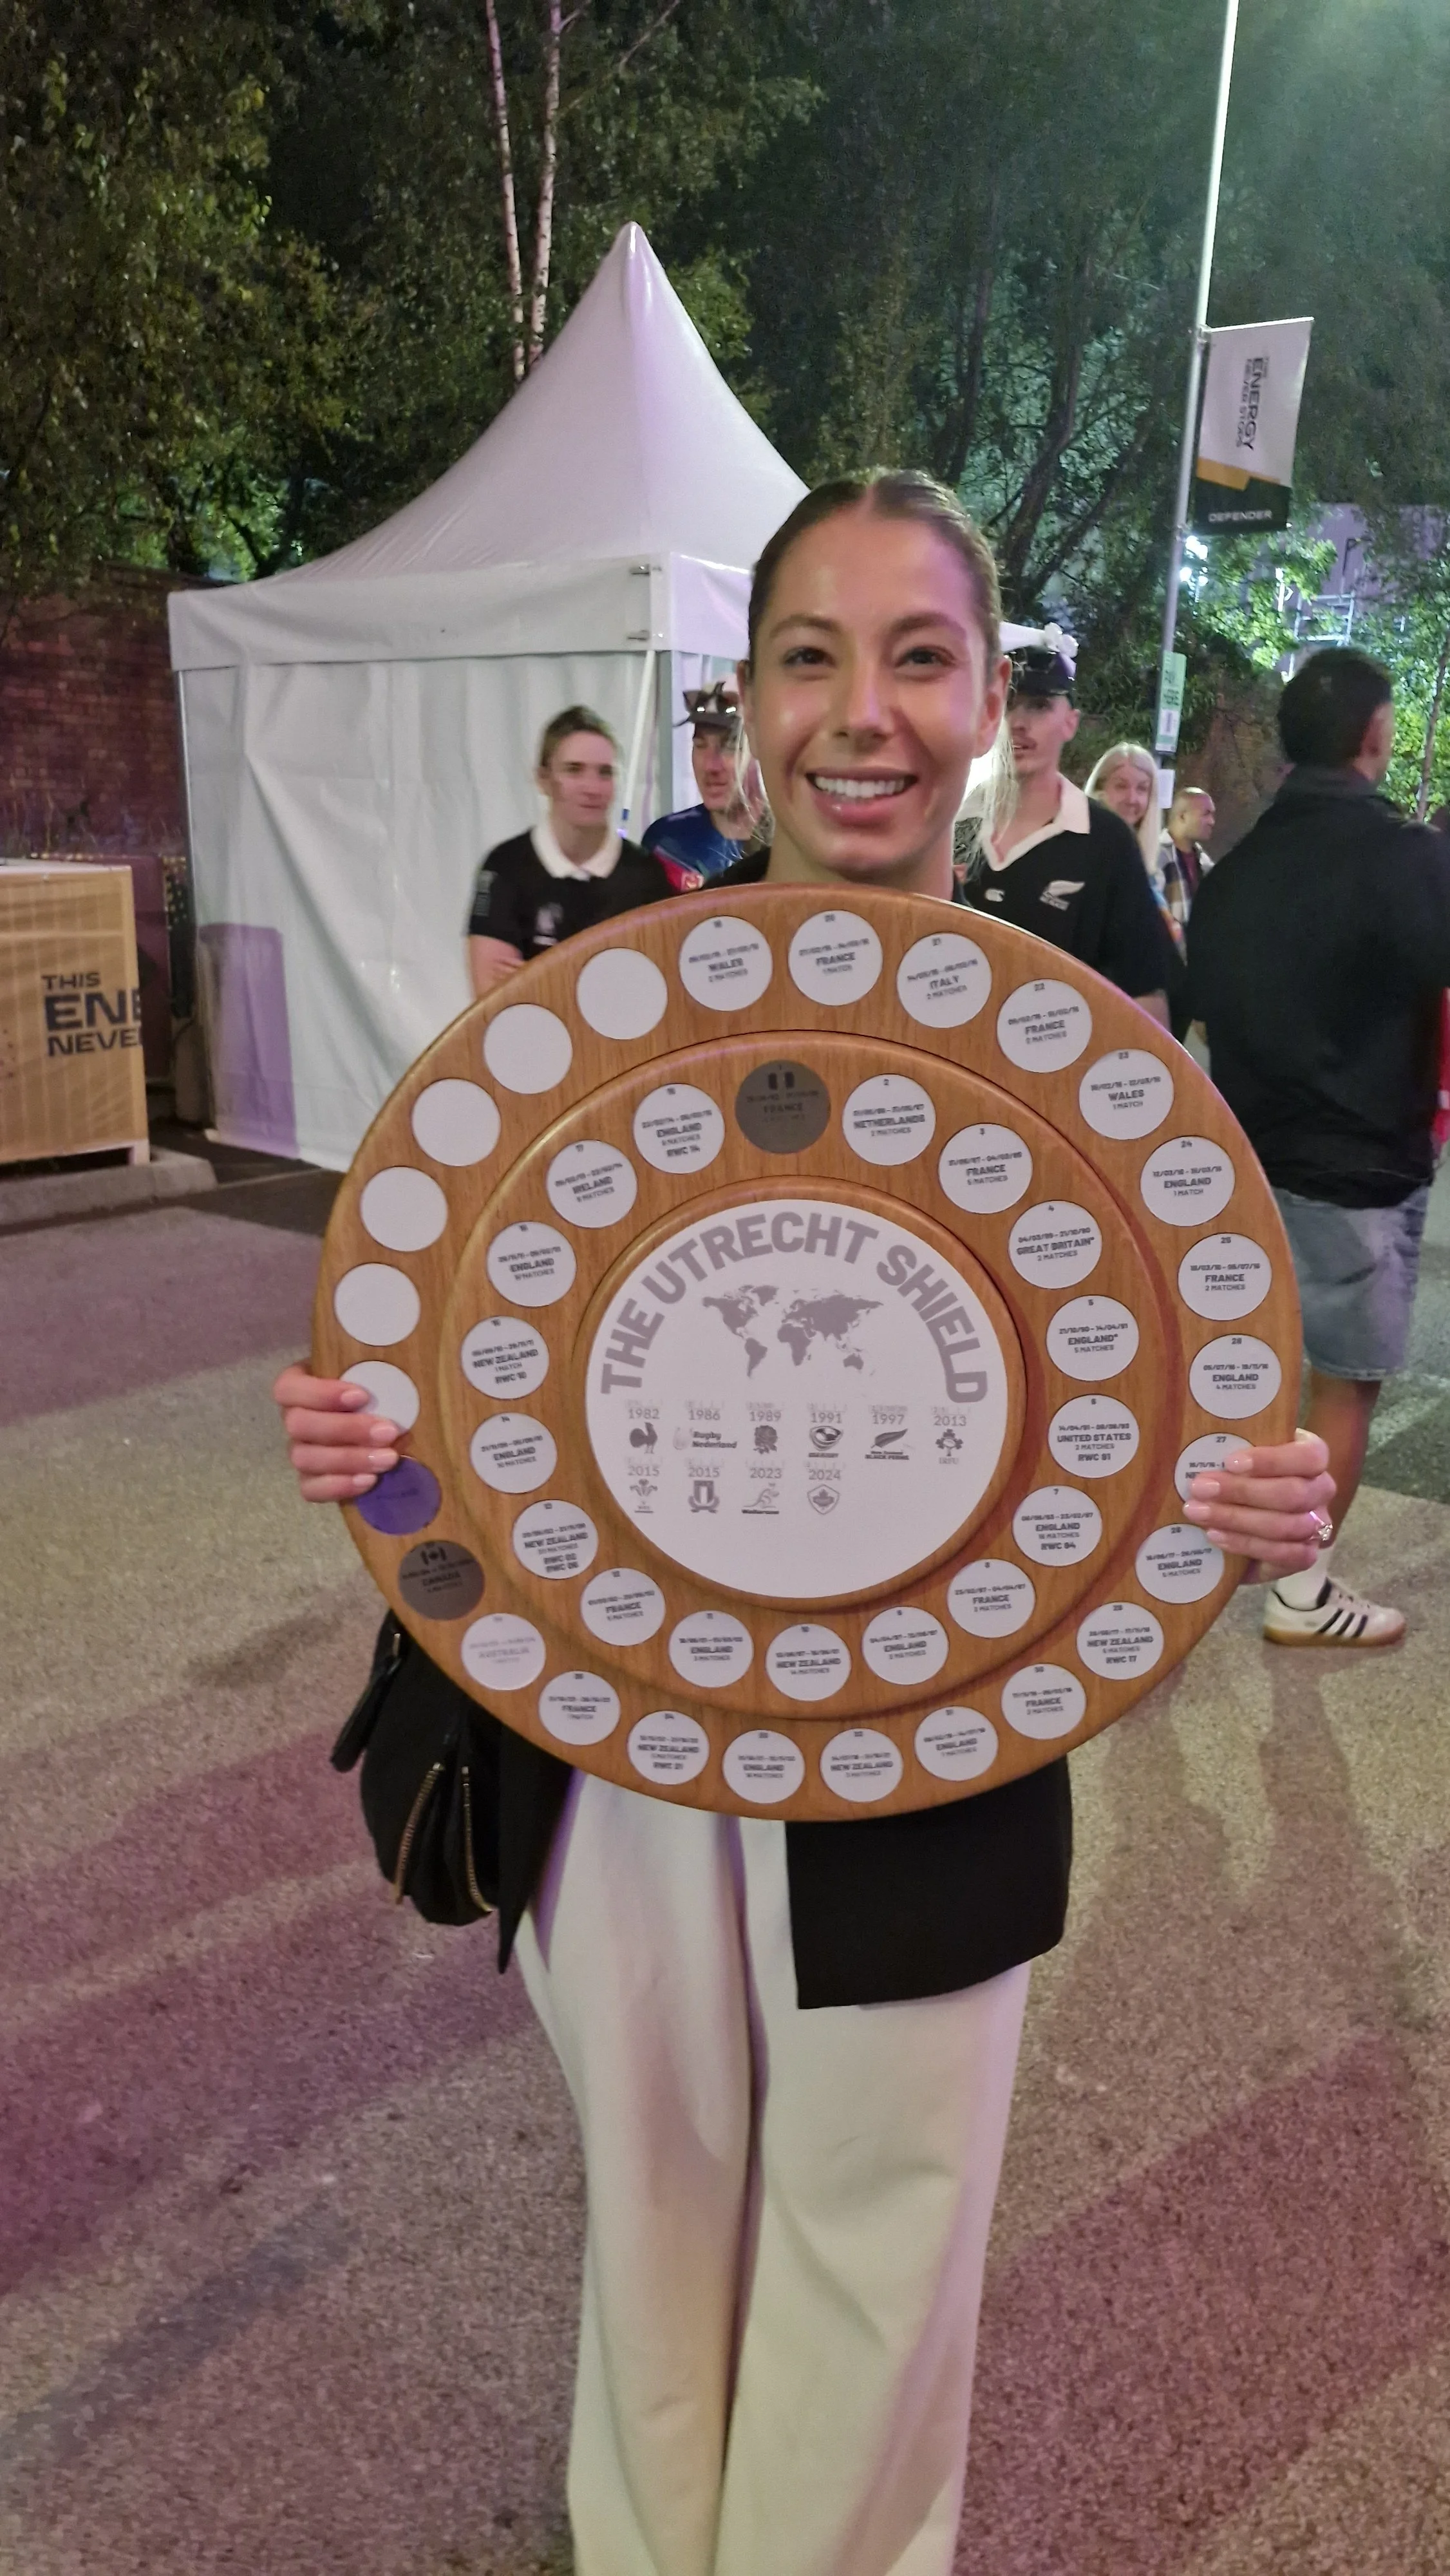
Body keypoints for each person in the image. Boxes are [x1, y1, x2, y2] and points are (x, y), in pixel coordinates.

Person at [276, 472, 1333, 2576]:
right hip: (616, 1743)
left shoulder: (1079, 1060)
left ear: (991, 696)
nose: (864, 710)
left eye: (918, 655)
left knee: (877, 2259)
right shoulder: (613, 1000)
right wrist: (367, 1447)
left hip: (936, 1753)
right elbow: (469, 1367)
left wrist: (1249, 1491)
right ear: (746, 701)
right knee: (653, 2234)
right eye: (811, 656)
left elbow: (1160, 1417)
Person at [1189, 644, 1450, 1649]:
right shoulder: (1407, 856)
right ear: (1377, 736)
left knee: (1251, 1371)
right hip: (1358, 1167)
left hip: (1240, 1169)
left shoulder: (1233, 874)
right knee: (1343, 1381)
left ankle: (1197, 1564)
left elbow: (1203, 1014)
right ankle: (1301, 1595)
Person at [959, 650, 1177, 1026]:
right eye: (1008, 704)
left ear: (1070, 723)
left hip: (1055, 1071)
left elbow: (1147, 995)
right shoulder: (952, 825)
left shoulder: (1107, 841)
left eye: (1040, 706)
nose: (1019, 723)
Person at [466, 705, 677, 998]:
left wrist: (538, 979)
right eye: (574, 770)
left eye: (605, 773)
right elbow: (493, 1002)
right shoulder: (506, 868)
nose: (592, 788)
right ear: (543, 779)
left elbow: (658, 990)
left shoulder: (645, 875)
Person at [641, 680, 762, 885]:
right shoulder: (667, 843)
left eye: (730, 747)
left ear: (762, 751)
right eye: (700, 745)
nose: (711, 766)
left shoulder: (793, 843)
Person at [1158, 781, 1216, 937]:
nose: (1212, 822)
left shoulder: (1204, 861)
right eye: (1206, 814)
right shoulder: (1156, 858)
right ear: (1183, 816)